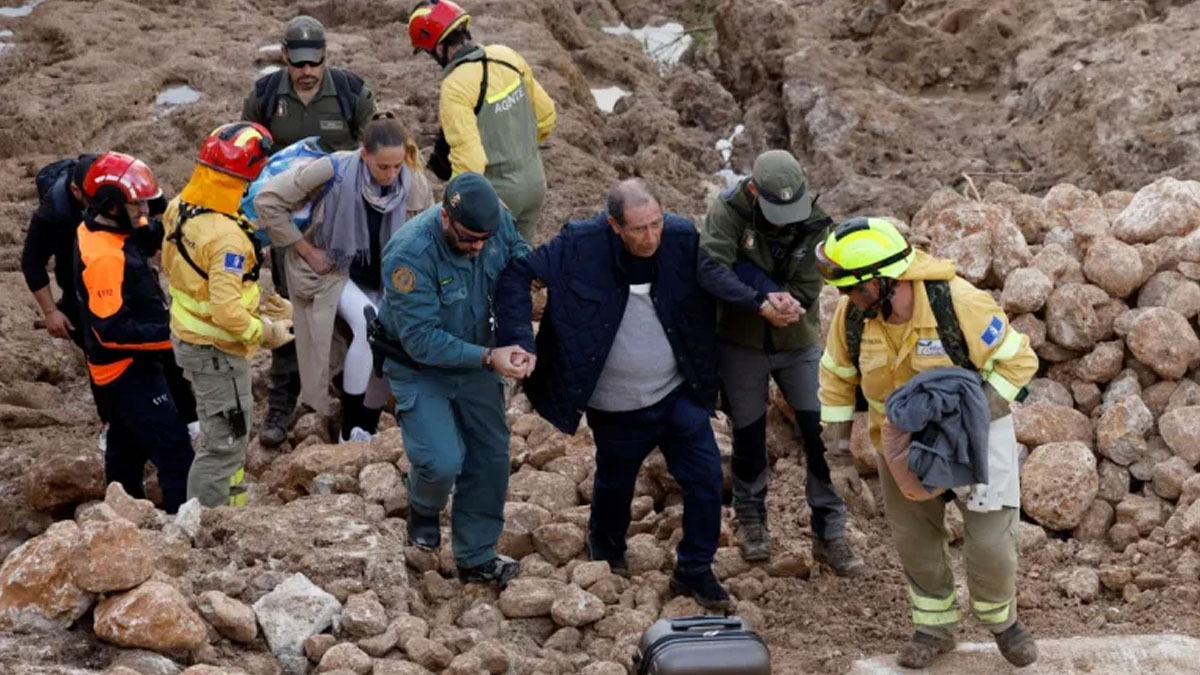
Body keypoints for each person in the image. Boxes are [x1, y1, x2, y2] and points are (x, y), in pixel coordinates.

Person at [496, 179, 783, 610]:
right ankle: (607, 546)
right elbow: (519, 275)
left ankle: (695, 569)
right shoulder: (580, 244)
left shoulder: (681, 237)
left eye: (656, 224)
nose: (651, 237)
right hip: (615, 403)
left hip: (676, 390)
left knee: (705, 478)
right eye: (638, 229)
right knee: (616, 479)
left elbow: (728, 265)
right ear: (614, 225)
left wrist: (765, 294)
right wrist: (521, 338)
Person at [816, 217, 1039, 669]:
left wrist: (972, 417)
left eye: (855, 289)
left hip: (975, 437)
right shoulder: (855, 316)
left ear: (885, 280)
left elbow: (1019, 362)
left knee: (991, 542)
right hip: (897, 444)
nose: (848, 299)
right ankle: (935, 628)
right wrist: (837, 453)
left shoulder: (960, 303)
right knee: (915, 539)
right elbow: (837, 378)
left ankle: (1004, 621)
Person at [700, 149, 862, 574]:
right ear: (754, 190)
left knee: (820, 429)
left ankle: (830, 530)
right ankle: (752, 519)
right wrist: (758, 302)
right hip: (741, 341)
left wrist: (790, 304)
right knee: (749, 434)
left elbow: (812, 279)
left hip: (796, 339)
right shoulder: (729, 210)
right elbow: (712, 267)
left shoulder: (814, 217)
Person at [376, 172, 530, 586]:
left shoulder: (496, 221)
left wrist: (519, 336)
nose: (477, 247)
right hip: (420, 367)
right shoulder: (409, 255)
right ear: (445, 218)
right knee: (442, 461)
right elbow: (422, 341)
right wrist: (489, 357)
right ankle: (424, 506)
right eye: (468, 239)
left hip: (480, 359)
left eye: (485, 239)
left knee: (491, 457)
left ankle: (476, 556)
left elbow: (518, 262)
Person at [242, 14, 377, 448]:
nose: (305, 71)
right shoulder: (265, 95)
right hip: (288, 227)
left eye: (312, 63)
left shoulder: (351, 93)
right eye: (297, 63)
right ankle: (283, 401)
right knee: (290, 309)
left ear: (324, 57)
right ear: (284, 56)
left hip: (344, 225)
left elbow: (375, 154)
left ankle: (347, 390)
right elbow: (247, 154)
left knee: (349, 305)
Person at [255, 113, 432, 441]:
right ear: (364, 155)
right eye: (383, 167)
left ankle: (368, 422)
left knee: (389, 338)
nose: (392, 175)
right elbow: (268, 200)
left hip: (385, 278)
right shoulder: (333, 170)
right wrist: (307, 250)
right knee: (370, 326)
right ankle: (351, 427)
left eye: (398, 166)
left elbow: (428, 237)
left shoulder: (415, 183)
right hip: (331, 270)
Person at [163, 122, 296, 508]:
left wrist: (259, 302)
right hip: (218, 352)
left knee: (226, 434)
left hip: (192, 341)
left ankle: (231, 506)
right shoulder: (226, 237)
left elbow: (183, 274)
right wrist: (265, 331)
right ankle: (207, 522)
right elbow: (223, 308)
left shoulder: (181, 207)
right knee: (224, 441)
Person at [73, 152, 194, 513]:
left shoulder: (95, 229)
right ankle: (180, 526)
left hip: (114, 374)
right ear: (111, 207)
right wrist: (174, 333)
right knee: (175, 455)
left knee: (126, 451)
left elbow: (136, 240)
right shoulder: (106, 260)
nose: (143, 209)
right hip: (129, 372)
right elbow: (111, 330)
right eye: (135, 204)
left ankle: (121, 514)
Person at [408, 0, 556, 244]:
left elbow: (470, 162)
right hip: (535, 181)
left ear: (439, 46)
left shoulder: (455, 86)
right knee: (522, 262)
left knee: (482, 267)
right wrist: (519, 151)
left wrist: (452, 205)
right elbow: (547, 115)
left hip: (496, 196)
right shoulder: (506, 56)